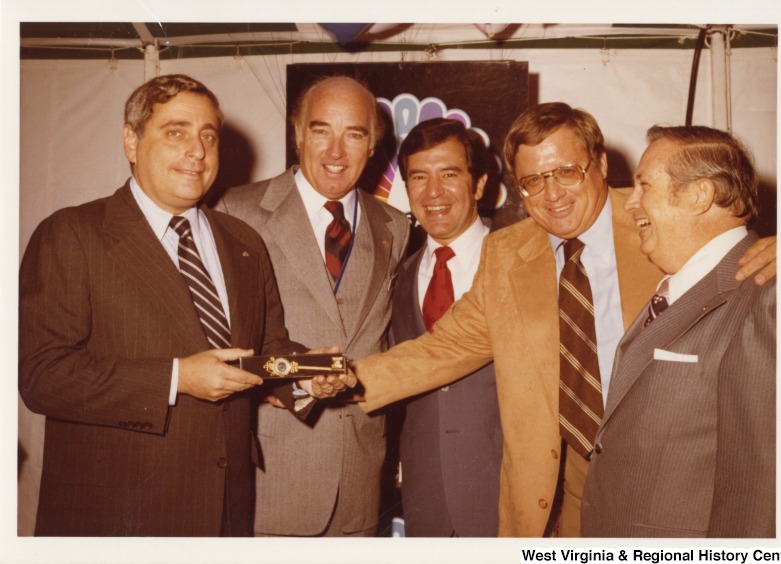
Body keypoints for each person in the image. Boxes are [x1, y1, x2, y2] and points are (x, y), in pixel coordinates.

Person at [350, 102, 776, 537]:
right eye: (533, 181)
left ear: (601, 164)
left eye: (567, 172)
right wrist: (339, 377)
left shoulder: (655, 219)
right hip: (567, 494)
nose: (552, 195)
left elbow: (725, 237)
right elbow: (445, 348)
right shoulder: (506, 254)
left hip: (666, 490)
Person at [18, 74, 345, 537]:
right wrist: (177, 378)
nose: (197, 150)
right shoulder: (72, 234)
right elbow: (41, 376)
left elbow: (266, 346)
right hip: (113, 514)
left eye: (208, 135)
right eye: (176, 132)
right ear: (131, 141)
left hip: (225, 508)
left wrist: (309, 377)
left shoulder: (243, 241)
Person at [215, 76, 410, 537]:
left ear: (373, 145)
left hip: (360, 481)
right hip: (273, 477)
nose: (335, 152)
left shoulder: (395, 226)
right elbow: (217, 340)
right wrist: (296, 381)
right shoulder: (235, 212)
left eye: (354, 134)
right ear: (297, 133)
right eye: (321, 130)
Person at [581, 125, 775, 537]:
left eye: (644, 185)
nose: (630, 202)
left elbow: (763, 486)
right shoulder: (678, 287)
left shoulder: (771, 293)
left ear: (699, 195)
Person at [390, 118, 502, 537]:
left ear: (479, 185)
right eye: (419, 177)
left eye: (449, 174)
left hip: (506, 489)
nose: (433, 193)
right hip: (425, 497)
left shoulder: (525, 263)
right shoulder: (397, 278)